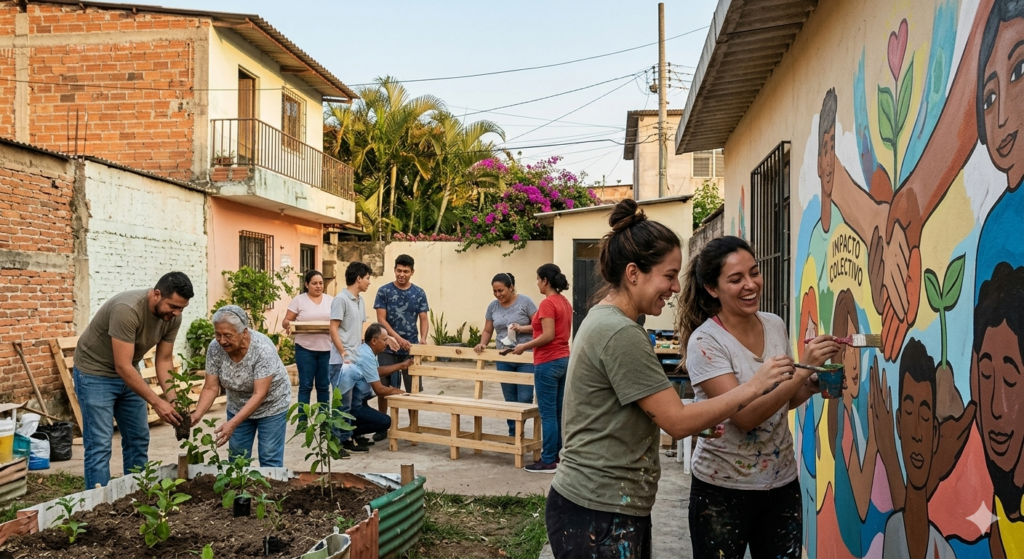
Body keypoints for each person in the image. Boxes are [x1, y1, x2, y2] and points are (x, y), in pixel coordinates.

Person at [546, 200, 794, 559]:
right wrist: (754, 386)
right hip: (599, 510)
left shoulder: (609, 322)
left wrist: (702, 418)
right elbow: (676, 422)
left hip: (604, 506)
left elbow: (627, 416)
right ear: (633, 273)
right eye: (668, 275)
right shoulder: (620, 333)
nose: (675, 288)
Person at [680, 236, 839, 559]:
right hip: (722, 490)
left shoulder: (774, 325)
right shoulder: (706, 342)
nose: (751, 285)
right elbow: (746, 416)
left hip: (781, 484)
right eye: (736, 279)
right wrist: (799, 368)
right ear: (713, 289)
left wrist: (808, 385)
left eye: (754, 272)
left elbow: (779, 403)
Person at [74, 271, 194, 488]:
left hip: (128, 371)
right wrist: (157, 403)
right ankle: (96, 506)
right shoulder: (127, 309)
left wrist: (173, 401)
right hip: (94, 373)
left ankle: (137, 496)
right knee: (100, 445)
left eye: (181, 308)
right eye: (173, 306)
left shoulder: (172, 318)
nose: (176, 313)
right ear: (157, 295)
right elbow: (122, 366)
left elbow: (164, 360)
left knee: (138, 439)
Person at [872, 339, 956, 559]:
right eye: (909, 412)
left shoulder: (945, 552)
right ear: (898, 423)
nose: (917, 433)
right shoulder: (893, 530)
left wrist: (890, 455)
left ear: (935, 434)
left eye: (926, 416)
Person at [192, 306, 292, 467]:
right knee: (237, 459)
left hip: (271, 405)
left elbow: (260, 393)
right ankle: (239, 492)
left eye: (228, 335)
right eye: (217, 334)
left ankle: (271, 491)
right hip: (238, 405)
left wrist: (232, 423)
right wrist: (196, 415)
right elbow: (211, 387)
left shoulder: (262, 349)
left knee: (269, 457)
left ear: (244, 332)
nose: (222, 340)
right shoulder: (215, 348)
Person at [511, 264, 572, 473]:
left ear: (545, 280)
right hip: (564, 360)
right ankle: (557, 456)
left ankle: (547, 461)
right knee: (556, 413)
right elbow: (548, 328)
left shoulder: (547, 303)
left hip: (547, 362)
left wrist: (523, 347)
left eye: (538, 279)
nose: (537, 283)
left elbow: (547, 335)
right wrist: (522, 329)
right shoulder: (563, 302)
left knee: (547, 413)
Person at [473, 273, 537, 437]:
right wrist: (483, 344)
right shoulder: (493, 306)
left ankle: (519, 430)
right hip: (503, 358)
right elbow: (488, 330)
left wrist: (521, 328)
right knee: (510, 399)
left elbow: (539, 326)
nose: (498, 295)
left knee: (524, 398)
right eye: (494, 291)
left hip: (525, 357)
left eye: (501, 290)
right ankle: (514, 434)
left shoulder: (526, 302)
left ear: (511, 288)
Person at [334, 323, 412, 447]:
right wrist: (398, 391)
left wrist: (401, 366)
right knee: (385, 422)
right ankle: (349, 431)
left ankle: (353, 431)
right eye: (385, 339)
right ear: (374, 341)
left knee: (377, 417)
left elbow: (375, 371)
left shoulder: (368, 351)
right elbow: (379, 390)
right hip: (354, 406)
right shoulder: (365, 355)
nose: (387, 343)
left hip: (360, 402)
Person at [374, 254, 429, 416]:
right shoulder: (384, 291)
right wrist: (397, 339)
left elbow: (424, 318)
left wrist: (423, 339)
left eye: (405, 271)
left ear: (412, 272)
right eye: (399, 271)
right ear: (394, 270)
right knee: (384, 387)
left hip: (410, 348)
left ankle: (413, 426)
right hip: (387, 347)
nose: (401, 275)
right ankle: (383, 423)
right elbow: (381, 319)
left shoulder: (419, 293)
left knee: (413, 389)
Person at [329, 261, 372, 452]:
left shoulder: (360, 300)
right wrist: (343, 353)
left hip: (356, 359)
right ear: (358, 278)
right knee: (342, 404)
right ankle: (339, 441)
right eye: (367, 278)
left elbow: (359, 329)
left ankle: (353, 435)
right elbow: (333, 329)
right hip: (342, 361)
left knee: (358, 400)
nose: (369, 282)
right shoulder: (341, 300)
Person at [283, 269, 333, 417]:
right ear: (306, 284)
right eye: (314, 283)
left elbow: (338, 322)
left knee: (323, 387)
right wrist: (289, 326)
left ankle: (324, 421)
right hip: (305, 350)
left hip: (326, 349)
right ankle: (303, 422)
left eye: (320, 283)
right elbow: (286, 320)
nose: (318, 286)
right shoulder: (299, 301)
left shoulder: (331, 300)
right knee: (305, 386)